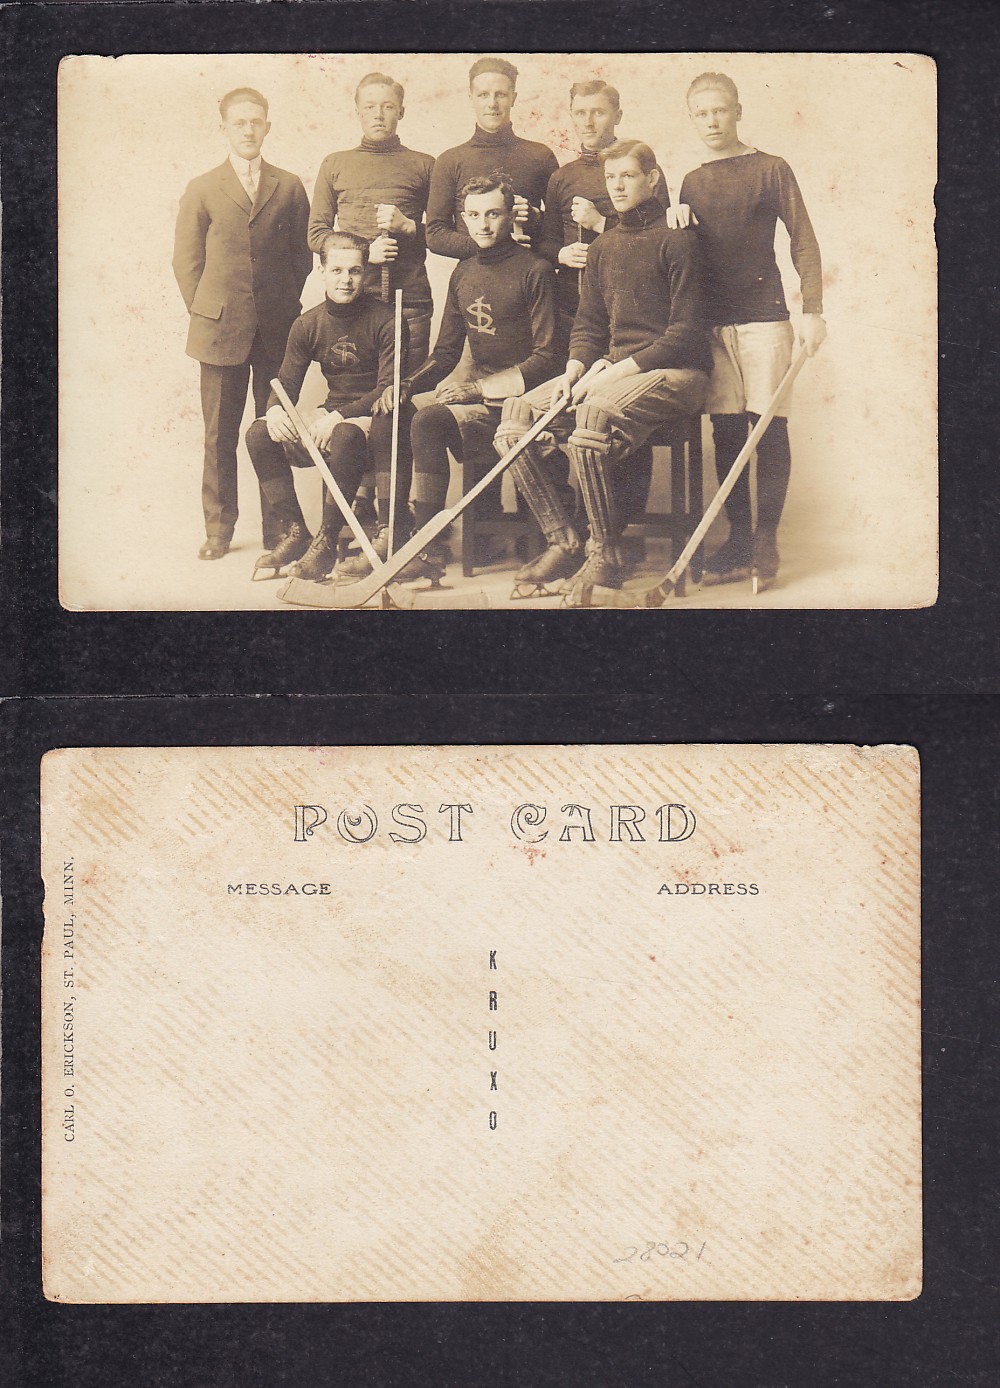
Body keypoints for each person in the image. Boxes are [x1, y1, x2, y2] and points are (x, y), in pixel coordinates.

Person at [495, 138, 711, 599]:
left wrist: (614, 371)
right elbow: (591, 324)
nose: (617, 186)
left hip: (679, 373)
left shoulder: (678, 239)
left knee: (593, 413)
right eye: (610, 178)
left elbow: (686, 333)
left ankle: (607, 552)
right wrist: (575, 368)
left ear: (652, 179)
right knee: (516, 416)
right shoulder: (604, 245)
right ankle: (564, 540)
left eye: (628, 176)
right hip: (616, 372)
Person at [354, 173, 558, 584]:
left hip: (528, 404)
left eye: (494, 214)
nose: (484, 225)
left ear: (508, 216)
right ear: (463, 219)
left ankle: (429, 546)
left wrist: (479, 388)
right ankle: (415, 546)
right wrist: (407, 385)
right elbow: (446, 352)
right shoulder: (463, 273)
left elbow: (547, 358)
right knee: (415, 415)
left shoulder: (535, 269)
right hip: (482, 406)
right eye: (475, 215)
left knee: (436, 417)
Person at [672, 71, 826, 590]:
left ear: (737, 111)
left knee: (769, 429)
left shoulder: (771, 168)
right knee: (728, 432)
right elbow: (683, 256)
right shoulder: (691, 181)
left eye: (719, 110)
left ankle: (766, 541)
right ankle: (738, 538)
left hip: (765, 318)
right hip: (713, 324)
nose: (711, 120)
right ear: (691, 118)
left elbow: (803, 238)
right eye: (701, 113)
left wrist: (814, 309)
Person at [173, 88, 311, 560]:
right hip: (219, 332)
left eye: (257, 122)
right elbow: (186, 262)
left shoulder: (289, 185)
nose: (248, 130)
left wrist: (281, 303)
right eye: (239, 123)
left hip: (275, 330)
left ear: (268, 126)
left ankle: (281, 531)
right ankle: (219, 530)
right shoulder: (203, 187)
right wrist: (210, 310)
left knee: (272, 428)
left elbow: (301, 256)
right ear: (224, 128)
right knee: (219, 435)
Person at [538, 79, 671, 530]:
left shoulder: (641, 163)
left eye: (598, 112)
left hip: (639, 319)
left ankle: (621, 530)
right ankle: (580, 527)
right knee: (573, 419)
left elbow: (659, 233)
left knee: (621, 422)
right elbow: (544, 244)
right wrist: (559, 253)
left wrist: (598, 227)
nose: (588, 121)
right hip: (582, 316)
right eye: (580, 113)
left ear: (616, 115)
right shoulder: (561, 177)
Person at [244, 232, 409, 581]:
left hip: (372, 419)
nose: (345, 280)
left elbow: (385, 390)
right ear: (322, 272)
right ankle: (295, 531)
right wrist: (276, 410)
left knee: (346, 434)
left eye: (354, 271)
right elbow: (286, 385)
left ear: (365, 274)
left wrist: (337, 417)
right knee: (259, 433)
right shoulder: (308, 324)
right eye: (336, 271)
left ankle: (326, 541)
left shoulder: (387, 318)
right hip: (331, 417)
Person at [307, 71, 435, 372]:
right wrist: (365, 253)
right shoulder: (335, 164)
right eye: (369, 106)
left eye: (388, 106)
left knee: (404, 394)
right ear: (358, 113)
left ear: (401, 111)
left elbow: (447, 234)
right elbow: (316, 234)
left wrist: (408, 226)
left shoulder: (425, 164)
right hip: (353, 300)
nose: (378, 114)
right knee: (356, 396)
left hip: (409, 303)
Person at [425, 57, 558, 262]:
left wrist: (535, 217)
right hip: (474, 277)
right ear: (471, 98)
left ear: (513, 97)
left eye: (501, 95)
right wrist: (490, 246)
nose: (492, 104)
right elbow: (435, 234)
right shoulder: (450, 161)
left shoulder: (540, 155)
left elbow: (559, 229)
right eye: (483, 95)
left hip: (529, 275)